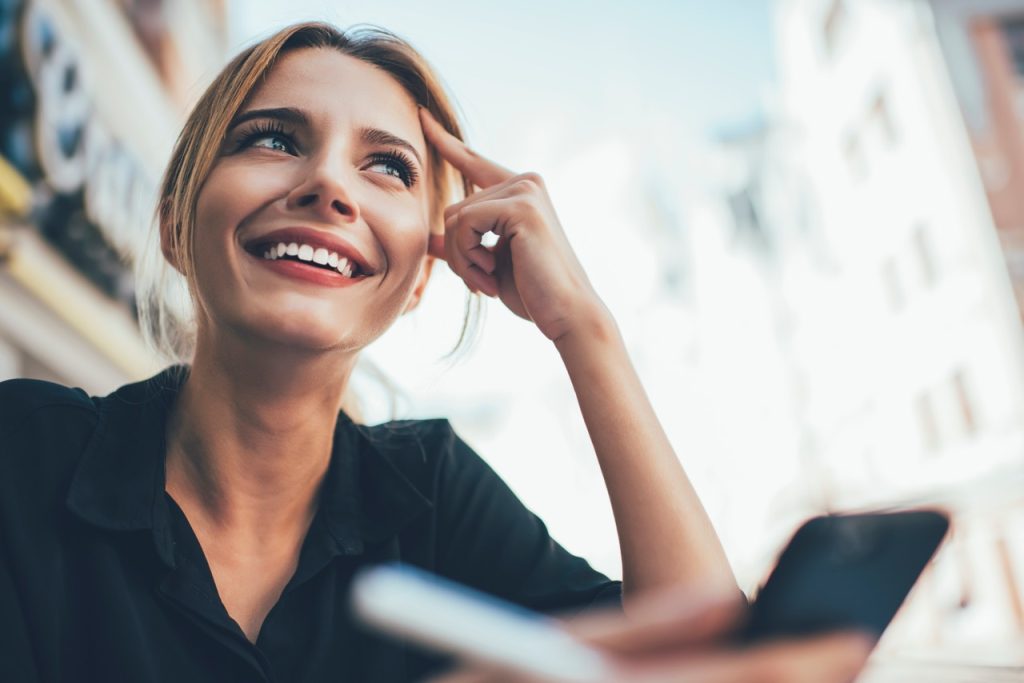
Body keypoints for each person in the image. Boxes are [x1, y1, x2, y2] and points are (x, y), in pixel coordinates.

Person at [0, 20, 871, 683]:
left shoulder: (429, 493)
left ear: (421, 274)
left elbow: (708, 656)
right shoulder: (22, 454)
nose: (329, 185)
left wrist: (587, 331)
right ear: (176, 223)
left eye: (387, 168)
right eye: (273, 139)